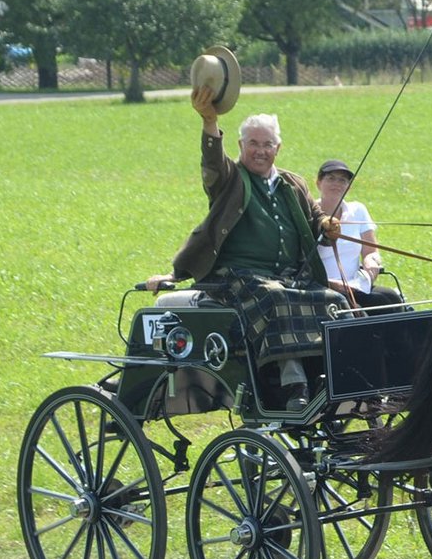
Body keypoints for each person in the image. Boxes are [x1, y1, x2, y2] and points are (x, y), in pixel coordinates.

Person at [146, 81, 346, 412]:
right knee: (275, 298)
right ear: (240, 145)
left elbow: (315, 219)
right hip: (234, 276)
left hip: (287, 276)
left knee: (334, 300)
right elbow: (212, 163)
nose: (260, 150)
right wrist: (209, 123)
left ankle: (329, 379)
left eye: (267, 144)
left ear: (278, 149)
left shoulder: (291, 183)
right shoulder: (230, 179)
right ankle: (292, 382)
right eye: (253, 143)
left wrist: (327, 225)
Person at [314, 159, 404, 311]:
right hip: (323, 288)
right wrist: (330, 284)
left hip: (356, 286)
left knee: (391, 299)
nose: (337, 183)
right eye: (331, 178)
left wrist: (371, 262)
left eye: (342, 180)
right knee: (355, 311)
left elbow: (371, 251)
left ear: (348, 188)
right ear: (318, 183)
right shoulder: (309, 215)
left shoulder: (358, 211)